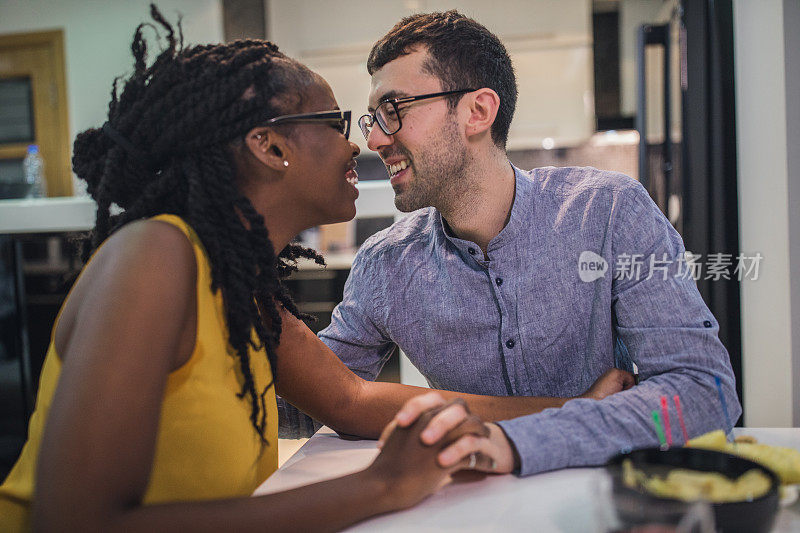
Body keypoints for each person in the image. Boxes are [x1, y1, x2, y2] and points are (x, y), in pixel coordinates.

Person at [0, 7, 636, 532]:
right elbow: (73, 523)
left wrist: (571, 409)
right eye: (335, 123)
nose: (360, 142)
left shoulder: (237, 285)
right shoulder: (156, 258)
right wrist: (382, 486)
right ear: (270, 145)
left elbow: (353, 399)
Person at [284, 10, 743, 475]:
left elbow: (705, 392)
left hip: (614, 503)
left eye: (393, 110)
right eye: (373, 119)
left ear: (478, 112)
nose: (376, 139)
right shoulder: (386, 265)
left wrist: (513, 441)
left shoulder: (608, 213)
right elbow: (312, 402)